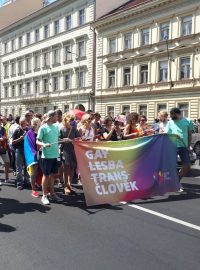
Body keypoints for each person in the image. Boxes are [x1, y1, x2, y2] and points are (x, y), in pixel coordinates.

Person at [36, 110, 63, 205]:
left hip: (55, 155)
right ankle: (44, 195)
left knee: (53, 175)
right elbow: (37, 141)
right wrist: (43, 144)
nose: (58, 118)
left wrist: (64, 140)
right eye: (56, 116)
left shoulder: (56, 127)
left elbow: (57, 139)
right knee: (46, 175)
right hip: (46, 156)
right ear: (51, 117)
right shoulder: (43, 128)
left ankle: (52, 194)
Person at [165, 107, 194, 188]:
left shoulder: (188, 121)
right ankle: (174, 183)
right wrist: (173, 136)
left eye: (173, 115)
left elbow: (190, 134)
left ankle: (177, 179)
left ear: (178, 114)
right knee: (171, 165)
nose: (171, 117)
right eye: (171, 115)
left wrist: (189, 146)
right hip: (172, 146)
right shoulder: (170, 122)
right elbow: (166, 134)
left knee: (187, 165)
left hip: (184, 146)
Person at [60, 112, 80, 195]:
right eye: (70, 120)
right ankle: (65, 186)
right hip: (65, 150)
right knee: (65, 168)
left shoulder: (74, 129)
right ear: (65, 120)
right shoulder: (61, 129)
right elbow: (58, 139)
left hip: (73, 150)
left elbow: (78, 138)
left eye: (73, 120)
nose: (72, 121)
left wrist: (75, 140)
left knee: (72, 168)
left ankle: (69, 184)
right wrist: (64, 139)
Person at [24, 117, 41, 198]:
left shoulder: (39, 131)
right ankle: (33, 189)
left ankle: (37, 185)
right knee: (33, 173)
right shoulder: (30, 133)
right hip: (34, 156)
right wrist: (34, 155)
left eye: (36, 123)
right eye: (34, 123)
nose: (34, 125)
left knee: (40, 172)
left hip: (40, 155)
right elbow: (29, 146)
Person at [12, 117, 29, 190]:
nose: (25, 123)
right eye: (23, 122)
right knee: (19, 167)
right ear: (21, 123)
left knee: (27, 167)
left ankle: (26, 181)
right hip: (19, 150)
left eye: (25, 122)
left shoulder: (28, 130)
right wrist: (20, 139)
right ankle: (19, 183)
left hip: (26, 150)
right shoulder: (17, 130)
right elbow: (12, 142)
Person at [0, 116, 10, 183]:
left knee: (7, 163)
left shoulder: (3, 129)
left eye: (1, 120)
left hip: (3, 148)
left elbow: (6, 137)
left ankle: (6, 178)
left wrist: (5, 138)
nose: (0, 121)